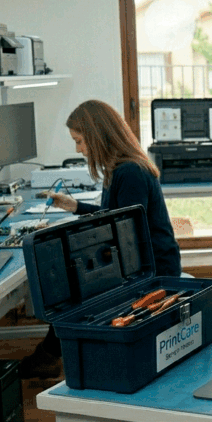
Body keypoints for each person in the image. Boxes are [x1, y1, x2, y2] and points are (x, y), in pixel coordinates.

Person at [20, 100, 182, 379]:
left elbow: (128, 234)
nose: (78, 150)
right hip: (144, 262)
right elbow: (116, 218)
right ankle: (53, 353)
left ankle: (53, 355)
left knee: (72, 289)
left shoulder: (129, 172)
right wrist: (76, 207)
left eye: (80, 141)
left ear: (97, 137)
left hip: (155, 270)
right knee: (73, 283)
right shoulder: (119, 169)